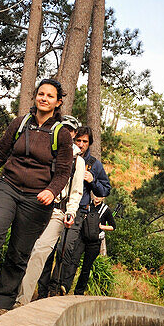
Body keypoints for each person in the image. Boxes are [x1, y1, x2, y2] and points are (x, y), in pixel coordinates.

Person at [0, 78, 74, 317]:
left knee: (19, 252)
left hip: (37, 200)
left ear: (58, 102)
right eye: (41, 94)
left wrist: (51, 191)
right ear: (35, 96)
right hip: (7, 187)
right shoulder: (20, 124)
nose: (44, 98)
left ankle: (2, 303)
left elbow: (63, 172)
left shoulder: (62, 135)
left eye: (50, 96)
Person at [13, 136, 85, 307]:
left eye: (72, 131)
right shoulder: (45, 148)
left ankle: (21, 301)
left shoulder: (77, 161)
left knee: (39, 251)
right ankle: (7, 293)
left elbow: (76, 191)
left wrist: (71, 211)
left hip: (57, 212)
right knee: (19, 249)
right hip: (33, 206)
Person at [48, 126, 111, 296]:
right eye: (79, 140)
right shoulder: (63, 156)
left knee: (66, 249)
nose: (81, 144)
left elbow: (105, 190)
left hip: (78, 212)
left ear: (89, 143)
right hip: (54, 206)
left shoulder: (94, 164)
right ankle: (43, 287)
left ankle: (58, 287)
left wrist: (93, 181)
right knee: (49, 248)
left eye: (85, 141)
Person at [70, 193, 115, 295]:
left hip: (94, 243)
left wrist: (101, 227)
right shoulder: (86, 205)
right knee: (73, 261)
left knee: (86, 267)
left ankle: (79, 292)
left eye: (100, 195)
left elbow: (113, 226)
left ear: (103, 197)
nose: (97, 197)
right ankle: (66, 285)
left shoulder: (105, 210)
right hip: (82, 239)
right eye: (96, 194)